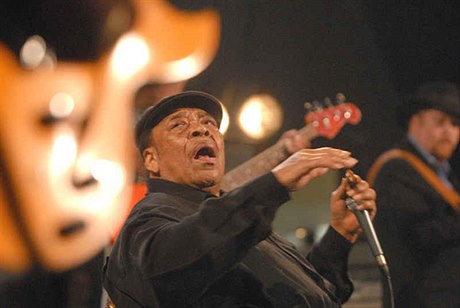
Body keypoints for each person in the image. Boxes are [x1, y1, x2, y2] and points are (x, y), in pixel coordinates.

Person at [103, 90, 377, 307]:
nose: (202, 129)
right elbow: (171, 267)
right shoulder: (150, 216)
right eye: (178, 126)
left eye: (208, 122)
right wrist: (273, 184)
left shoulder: (240, 223)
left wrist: (341, 233)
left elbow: (308, 296)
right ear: (151, 160)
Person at [368, 81, 460, 308]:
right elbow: (417, 236)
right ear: (415, 121)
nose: (448, 131)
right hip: (421, 300)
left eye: (455, 123)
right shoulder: (395, 169)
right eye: (439, 122)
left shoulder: (444, 174)